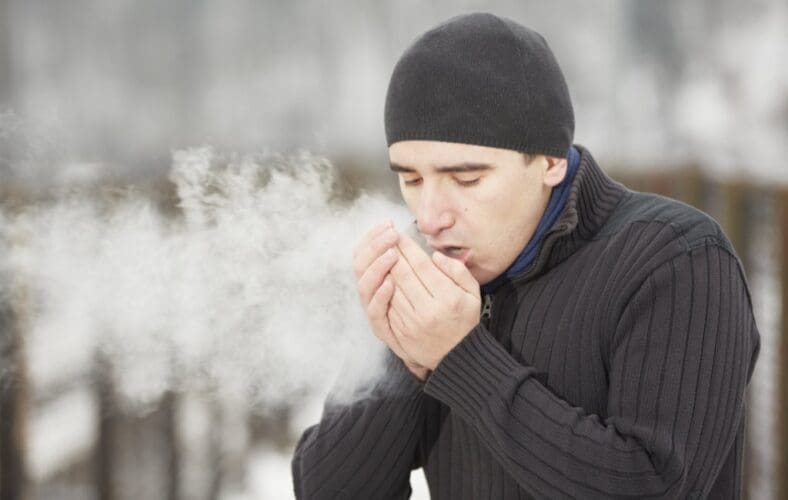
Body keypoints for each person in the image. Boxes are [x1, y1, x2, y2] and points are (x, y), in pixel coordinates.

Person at [292, 12, 760, 499]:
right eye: (411, 179)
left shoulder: (676, 260)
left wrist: (459, 357)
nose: (430, 216)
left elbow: (654, 488)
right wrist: (405, 356)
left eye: (466, 179)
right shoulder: (428, 273)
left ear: (551, 161)